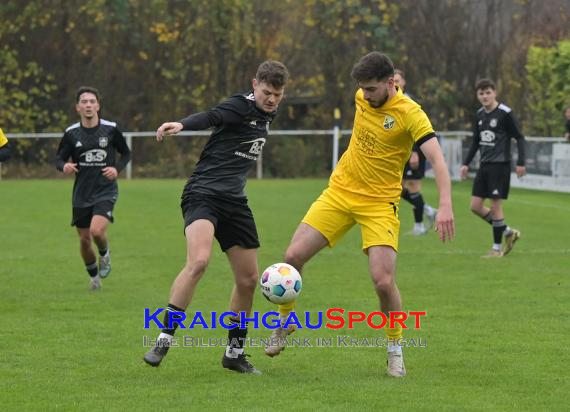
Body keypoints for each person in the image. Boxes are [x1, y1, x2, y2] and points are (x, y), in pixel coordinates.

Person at [263, 52, 455, 378]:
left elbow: (437, 160)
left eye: (371, 89)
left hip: (380, 204)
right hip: (339, 193)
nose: (365, 95)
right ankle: (285, 322)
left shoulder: (411, 114)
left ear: (391, 83)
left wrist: (446, 205)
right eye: (362, 89)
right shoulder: (361, 97)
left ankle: (395, 348)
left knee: (382, 281)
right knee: (292, 255)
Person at [142, 60, 289, 375]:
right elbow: (212, 116)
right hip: (203, 194)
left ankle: (234, 354)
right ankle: (163, 339)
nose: (271, 99)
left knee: (249, 280)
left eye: (277, 94)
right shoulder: (240, 106)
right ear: (254, 85)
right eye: (266, 92)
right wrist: (181, 124)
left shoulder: (269, 114)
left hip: (235, 201)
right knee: (199, 261)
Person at [55, 86, 131, 290]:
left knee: (96, 231)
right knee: (84, 240)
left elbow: (126, 153)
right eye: (84, 102)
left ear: (98, 105)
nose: (88, 105)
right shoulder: (71, 134)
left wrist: (117, 169)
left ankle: (105, 254)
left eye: (91, 101)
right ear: (77, 107)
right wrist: (65, 166)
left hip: (105, 190)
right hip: (81, 194)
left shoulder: (111, 129)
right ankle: (94, 277)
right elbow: (58, 158)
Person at [459, 78, 526, 258]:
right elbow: (475, 142)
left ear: (494, 93)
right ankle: (507, 232)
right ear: (478, 96)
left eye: (488, 92)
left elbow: (519, 137)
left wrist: (521, 162)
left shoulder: (505, 113)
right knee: (475, 206)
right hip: (484, 166)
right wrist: (465, 163)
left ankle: (496, 249)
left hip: (500, 165)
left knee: (496, 206)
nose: (485, 96)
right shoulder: (480, 114)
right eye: (481, 93)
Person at [394, 69, 437, 235]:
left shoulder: (409, 102)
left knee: (413, 187)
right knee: (398, 188)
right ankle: (428, 210)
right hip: (401, 154)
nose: (396, 83)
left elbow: (417, 130)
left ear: (404, 82)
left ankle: (419, 226)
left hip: (414, 152)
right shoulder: (392, 102)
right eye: (393, 80)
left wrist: (414, 152)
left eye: (398, 80)